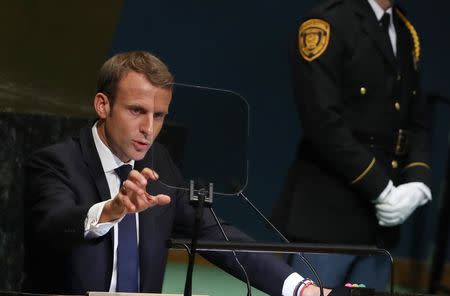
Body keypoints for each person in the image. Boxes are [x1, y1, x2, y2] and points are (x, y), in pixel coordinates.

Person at [23, 51, 333, 296]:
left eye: (159, 116)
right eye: (137, 111)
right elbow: (54, 224)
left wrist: (301, 288)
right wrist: (110, 210)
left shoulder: (159, 163)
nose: (149, 129)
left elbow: (215, 235)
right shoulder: (56, 162)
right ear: (103, 105)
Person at [272, 0, 431, 291]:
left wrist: (418, 182)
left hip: (379, 225)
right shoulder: (327, 23)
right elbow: (322, 123)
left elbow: (415, 120)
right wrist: (380, 189)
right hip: (328, 215)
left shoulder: (404, 30)